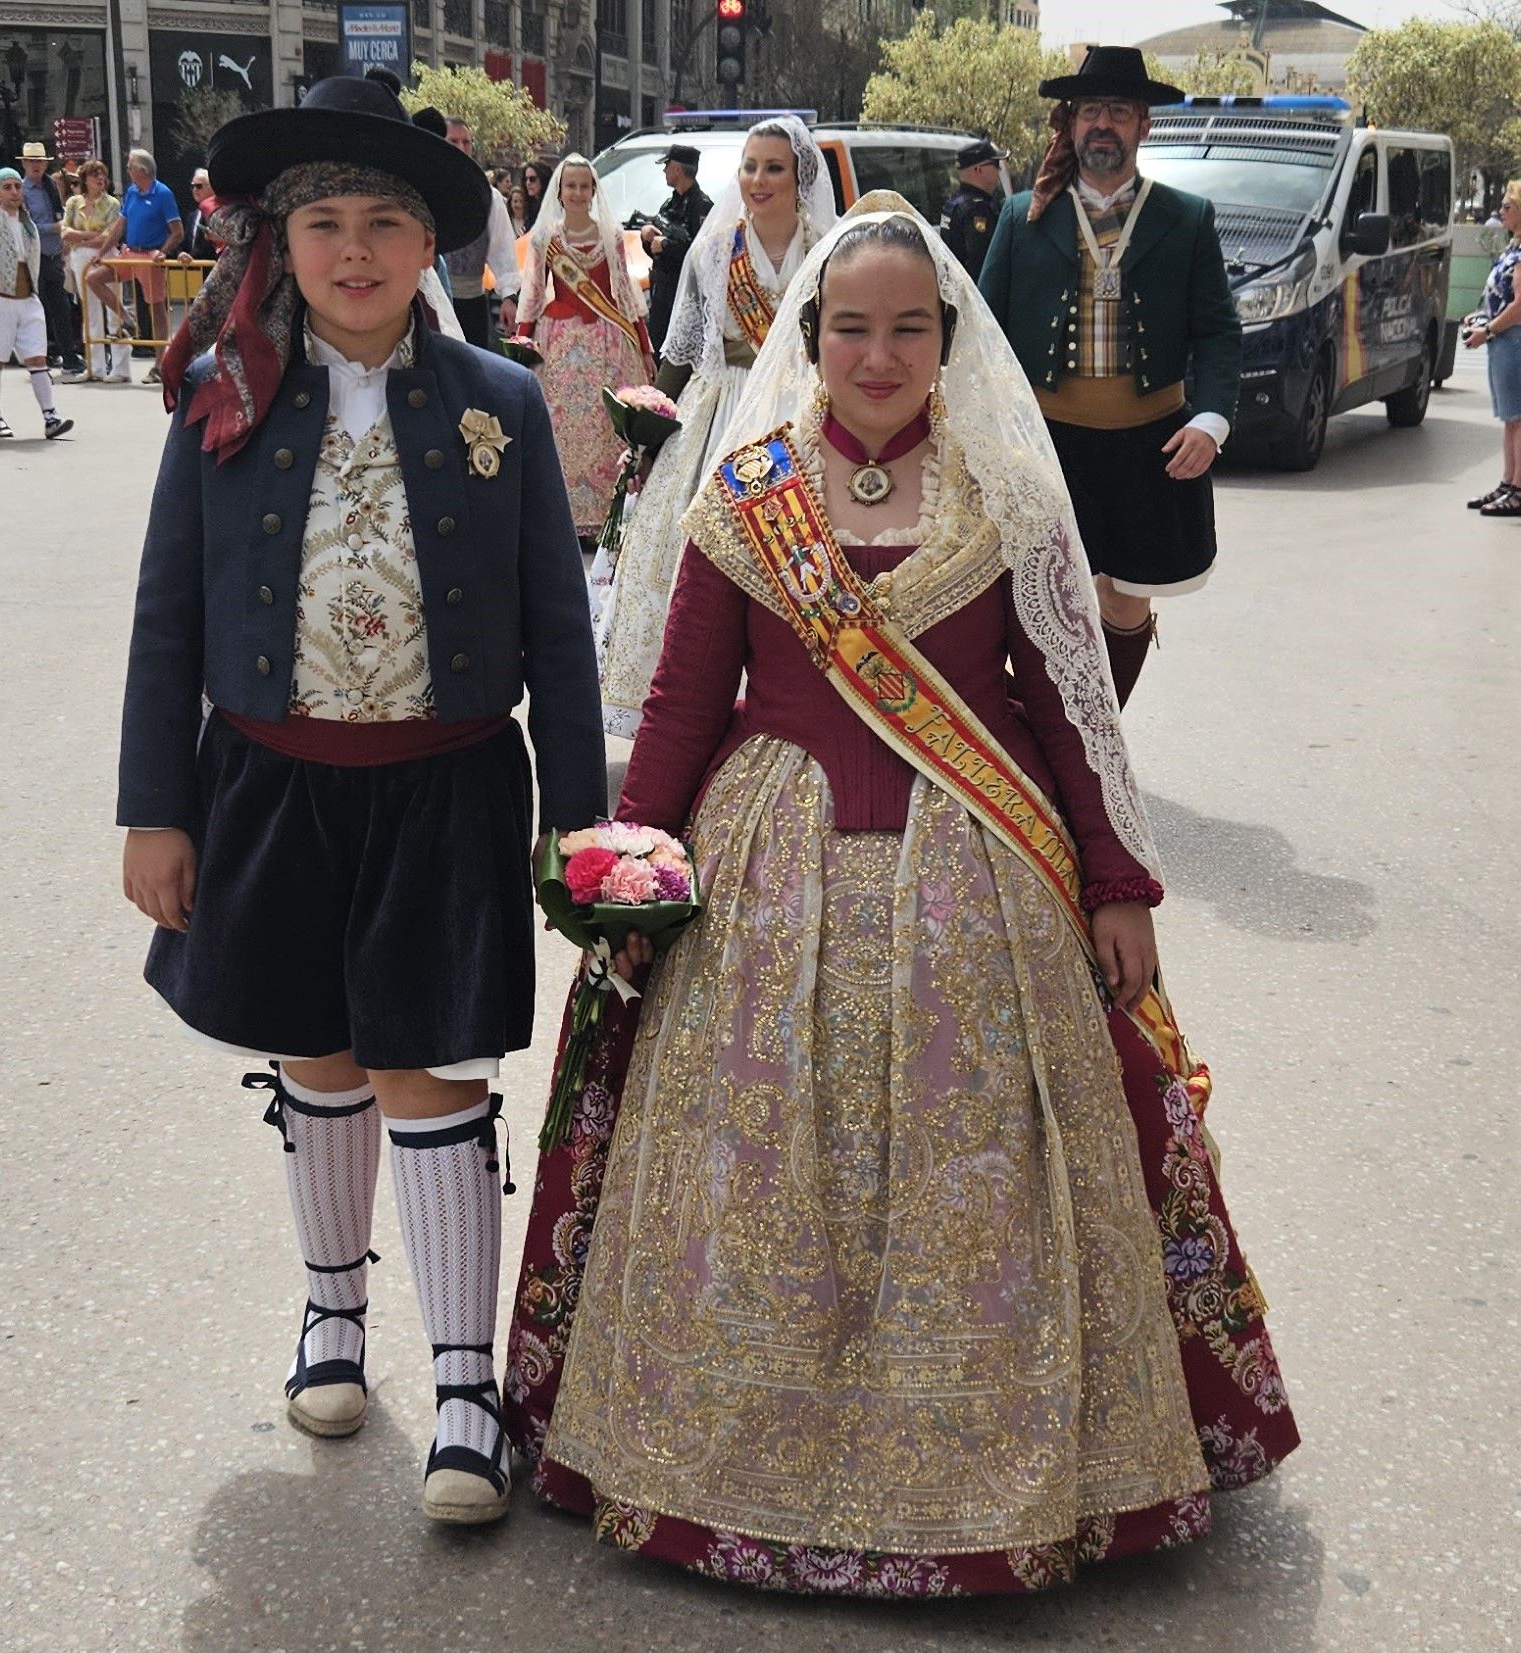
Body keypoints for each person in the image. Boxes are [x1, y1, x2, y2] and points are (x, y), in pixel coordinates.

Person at [503, 195, 1300, 1595]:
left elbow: (1063, 706)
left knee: (980, 1163)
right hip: (765, 867)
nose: (878, 355)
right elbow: (689, 703)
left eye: (908, 329)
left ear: (946, 340)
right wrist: (635, 861)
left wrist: (1115, 881)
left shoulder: (1004, 491)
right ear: (810, 339)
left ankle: (1008, 1480)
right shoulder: (746, 493)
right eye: (852, 329)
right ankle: (714, 1463)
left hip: (976, 870)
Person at [117, 75, 604, 1525]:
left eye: (383, 221)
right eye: (323, 221)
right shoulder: (220, 403)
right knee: (320, 1058)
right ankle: (334, 1318)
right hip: (269, 783)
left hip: (446, 789)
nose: (352, 249)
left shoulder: (501, 404)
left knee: (435, 1070)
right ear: (280, 242)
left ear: (430, 247)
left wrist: (575, 817)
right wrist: (158, 806)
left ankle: (467, 1384)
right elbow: (166, 622)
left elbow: (557, 628)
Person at [978, 47, 1239, 709]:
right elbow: (982, 333)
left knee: (1123, 598)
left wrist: (1208, 420)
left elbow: (1216, 332)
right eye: (1090, 110)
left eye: (1118, 111)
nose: (1103, 124)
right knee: (1035, 592)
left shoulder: (1185, 218)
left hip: (1147, 441)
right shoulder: (1020, 217)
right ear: (1068, 124)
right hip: (1045, 443)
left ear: (1143, 125)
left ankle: (1099, 737)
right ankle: (1036, 735)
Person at [594, 116, 836, 736]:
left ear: (800, 176)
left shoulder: (829, 252)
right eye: (750, 166)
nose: (758, 179)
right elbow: (682, 347)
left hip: (805, 418)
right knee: (701, 569)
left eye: (774, 167)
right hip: (723, 412)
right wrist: (650, 421)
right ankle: (697, 715)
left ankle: (791, 709)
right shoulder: (712, 246)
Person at [512, 156, 653, 541]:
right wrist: (523, 344)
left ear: (593, 191)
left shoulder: (610, 235)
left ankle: (609, 514)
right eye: (570, 186)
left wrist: (643, 346)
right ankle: (562, 516)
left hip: (607, 344)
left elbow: (625, 294)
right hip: (558, 343)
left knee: (606, 427)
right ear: (560, 190)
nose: (577, 193)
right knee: (561, 429)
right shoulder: (545, 239)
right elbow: (534, 295)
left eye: (584, 186)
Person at [0, 167, 75, 440]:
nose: (13, 192)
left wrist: (31, 294)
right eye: (7, 187)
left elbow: (32, 263)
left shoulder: (29, 226)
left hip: (26, 298)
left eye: (16, 187)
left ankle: (50, 416)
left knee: (37, 357)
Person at [92, 149, 182, 383]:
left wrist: (162, 253)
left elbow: (177, 232)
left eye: (130, 167)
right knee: (94, 278)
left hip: (150, 257)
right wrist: (101, 254)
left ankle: (160, 364)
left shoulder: (163, 194)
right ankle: (126, 317)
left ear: (142, 170)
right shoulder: (132, 192)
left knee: (157, 309)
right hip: (129, 253)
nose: (128, 171)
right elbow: (119, 227)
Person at [1463, 180, 1521, 515]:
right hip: (1502, 338)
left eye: (1507, 207)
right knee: (1510, 419)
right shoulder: (1512, 247)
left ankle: (1517, 488)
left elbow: (1519, 306)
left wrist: (1488, 329)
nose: (1501, 211)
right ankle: (1508, 482)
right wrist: (1482, 315)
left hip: (1512, 340)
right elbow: (1502, 298)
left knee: (1517, 417)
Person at [441, 116, 519, 350]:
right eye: (454, 141)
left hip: (471, 305)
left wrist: (508, 297)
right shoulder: (423, 189)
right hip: (430, 303)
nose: (462, 148)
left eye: (467, 142)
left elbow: (503, 251)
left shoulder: (488, 196)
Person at [642, 142, 713, 358]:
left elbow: (701, 255)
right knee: (658, 351)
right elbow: (656, 251)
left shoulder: (701, 207)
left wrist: (666, 245)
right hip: (661, 293)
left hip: (685, 295)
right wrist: (648, 238)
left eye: (667, 166)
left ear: (677, 169)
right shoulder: (669, 205)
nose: (664, 171)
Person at [19, 141, 83, 379]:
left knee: (61, 308)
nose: (36, 166)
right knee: (39, 310)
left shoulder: (51, 187)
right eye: (32, 161)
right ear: (25, 164)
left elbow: (61, 216)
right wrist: (54, 228)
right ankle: (41, 356)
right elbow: (27, 225)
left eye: (40, 161)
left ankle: (68, 355)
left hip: (54, 255)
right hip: (34, 256)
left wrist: (62, 236)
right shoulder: (22, 191)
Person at [62, 158, 129, 383]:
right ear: (85, 180)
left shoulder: (112, 204)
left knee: (113, 310)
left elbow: (108, 237)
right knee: (89, 312)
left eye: (102, 174)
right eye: (94, 175)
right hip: (79, 258)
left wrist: (79, 237)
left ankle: (120, 368)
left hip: (107, 256)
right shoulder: (73, 203)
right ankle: (95, 367)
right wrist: (91, 237)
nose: (100, 178)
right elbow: (64, 233)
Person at [939, 137, 1005, 283]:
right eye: (995, 163)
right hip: (975, 294)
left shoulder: (953, 203)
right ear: (978, 169)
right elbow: (981, 261)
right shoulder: (976, 209)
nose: (999, 169)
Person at [180, 167, 219, 262]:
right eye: (192, 186)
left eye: (198, 186)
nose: (194, 190)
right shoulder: (192, 216)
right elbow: (185, 243)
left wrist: (192, 257)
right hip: (192, 271)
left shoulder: (219, 213)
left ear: (211, 187)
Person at [521, 160, 552, 231]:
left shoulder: (551, 207)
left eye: (532, 179)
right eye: (526, 179)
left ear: (543, 179)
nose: (528, 183)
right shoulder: (531, 206)